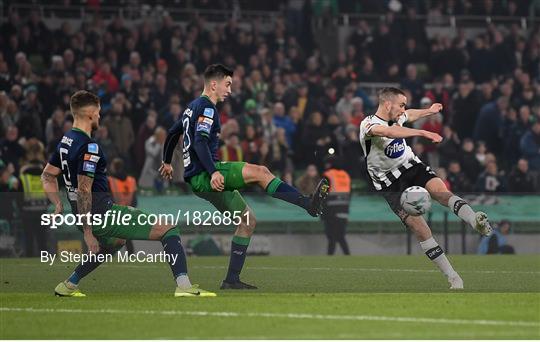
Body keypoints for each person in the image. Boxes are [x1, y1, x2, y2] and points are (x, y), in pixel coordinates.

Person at [159, 64, 329, 290]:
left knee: (247, 221)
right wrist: (214, 171)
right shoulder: (208, 108)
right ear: (213, 84)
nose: (230, 89)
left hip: (198, 181)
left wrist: (167, 161)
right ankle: (307, 203)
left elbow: (172, 133)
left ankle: (231, 279)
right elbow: (199, 141)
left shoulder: (191, 108)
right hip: (205, 174)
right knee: (261, 172)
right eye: (227, 84)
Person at [41, 90, 214, 297]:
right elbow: (84, 188)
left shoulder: (65, 141)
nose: (99, 117)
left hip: (83, 215)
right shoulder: (90, 147)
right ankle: (184, 287)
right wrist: (88, 231)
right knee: (169, 230)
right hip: (101, 215)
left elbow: (48, 176)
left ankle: (69, 285)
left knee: (115, 243)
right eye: (97, 113)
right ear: (89, 115)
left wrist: (59, 204)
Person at [359, 87, 492, 290]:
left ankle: (475, 220)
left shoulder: (399, 115)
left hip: (411, 166)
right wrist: (422, 131)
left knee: (442, 192)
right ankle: (453, 276)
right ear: (388, 104)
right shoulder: (368, 124)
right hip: (390, 183)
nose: (404, 109)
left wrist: (428, 111)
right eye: (401, 104)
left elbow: (409, 114)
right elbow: (388, 131)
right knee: (420, 229)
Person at [321, 156, 351, 255]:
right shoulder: (345, 175)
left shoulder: (328, 175)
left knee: (331, 237)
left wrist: (322, 212)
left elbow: (322, 192)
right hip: (344, 209)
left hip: (330, 210)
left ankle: (330, 257)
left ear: (329, 164)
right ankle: (347, 256)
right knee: (340, 236)